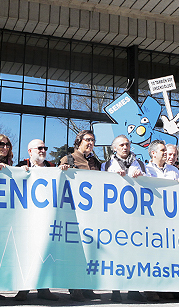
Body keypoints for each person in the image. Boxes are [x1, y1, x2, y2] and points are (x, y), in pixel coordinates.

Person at [100, 135, 146, 303]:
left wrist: (141, 176)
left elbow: (149, 185)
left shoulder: (141, 164)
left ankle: (134, 289)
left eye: (127, 144)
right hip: (115, 215)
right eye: (121, 145)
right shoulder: (105, 166)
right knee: (116, 253)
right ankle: (116, 290)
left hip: (136, 215)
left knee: (135, 253)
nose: (125, 147)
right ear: (114, 148)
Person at [13, 139, 60, 302]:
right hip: (26, 215)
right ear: (30, 151)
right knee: (26, 250)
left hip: (48, 215)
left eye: (45, 148)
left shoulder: (53, 167)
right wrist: (19, 171)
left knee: (45, 250)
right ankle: (23, 288)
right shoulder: (22, 165)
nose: (43, 150)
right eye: (39, 148)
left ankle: (43, 288)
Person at [59, 130, 101, 301]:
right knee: (76, 251)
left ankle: (87, 286)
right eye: (88, 140)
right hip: (73, 212)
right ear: (79, 141)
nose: (91, 143)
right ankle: (75, 287)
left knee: (91, 250)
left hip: (93, 212)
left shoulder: (96, 161)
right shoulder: (68, 159)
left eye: (93, 140)